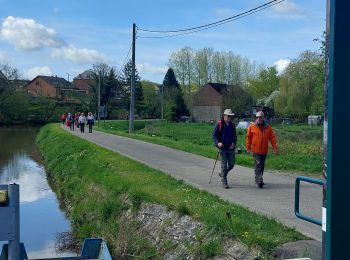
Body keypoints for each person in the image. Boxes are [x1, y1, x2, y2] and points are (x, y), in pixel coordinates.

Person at [246, 111, 278, 189]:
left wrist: (274, 148)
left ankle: (258, 179)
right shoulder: (252, 126)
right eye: (257, 117)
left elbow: (272, 138)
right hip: (255, 150)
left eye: (260, 117)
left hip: (264, 150)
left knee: (262, 165)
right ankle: (259, 180)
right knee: (258, 165)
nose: (259, 119)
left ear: (263, 118)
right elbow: (248, 138)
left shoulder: (268, 127)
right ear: (255, 118)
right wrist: (248, 148)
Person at [212, 109, 237, 189]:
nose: (230, 118)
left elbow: (235, 137)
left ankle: (222, 173)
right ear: (224, 116)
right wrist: (217, 143)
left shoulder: (232, 125)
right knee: (223, 164)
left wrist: (233, 143)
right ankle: (224, 182)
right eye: (228, 116)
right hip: (222, 148)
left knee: (232, 164)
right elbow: (213, 135)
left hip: (230, 148)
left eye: (231, 116)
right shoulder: (219, 124)